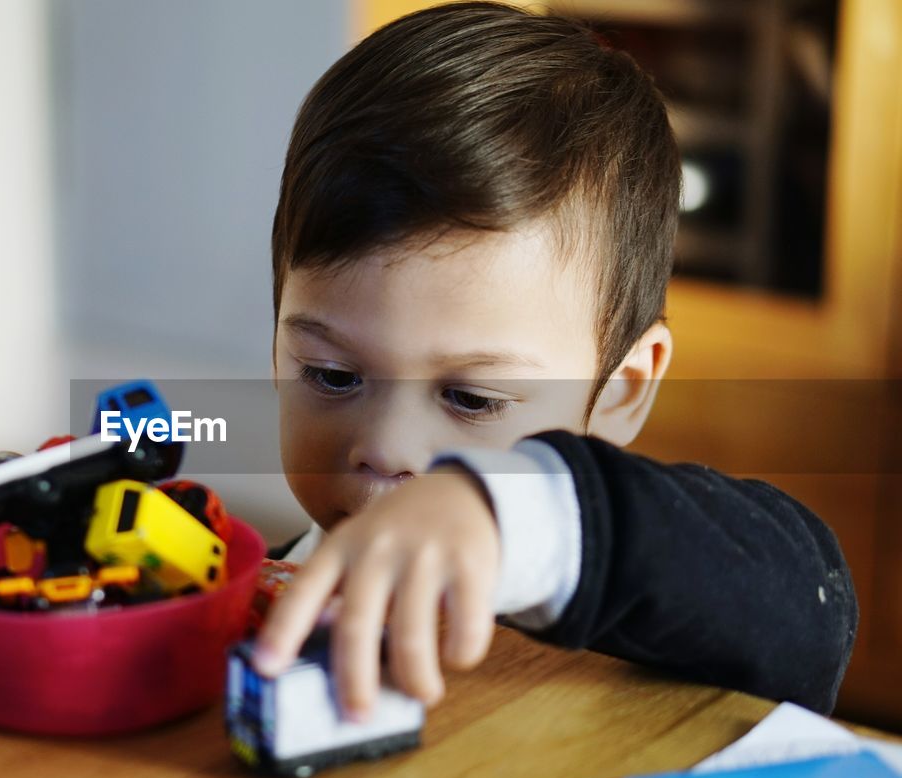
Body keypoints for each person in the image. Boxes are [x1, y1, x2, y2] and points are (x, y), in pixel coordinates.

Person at [250, 1, 857, 717]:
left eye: (471, 398)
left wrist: (509, 509)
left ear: (622, 389)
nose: (385, 447)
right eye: (333, 375)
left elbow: (811, 609)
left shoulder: (646, 598)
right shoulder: (279, 579)